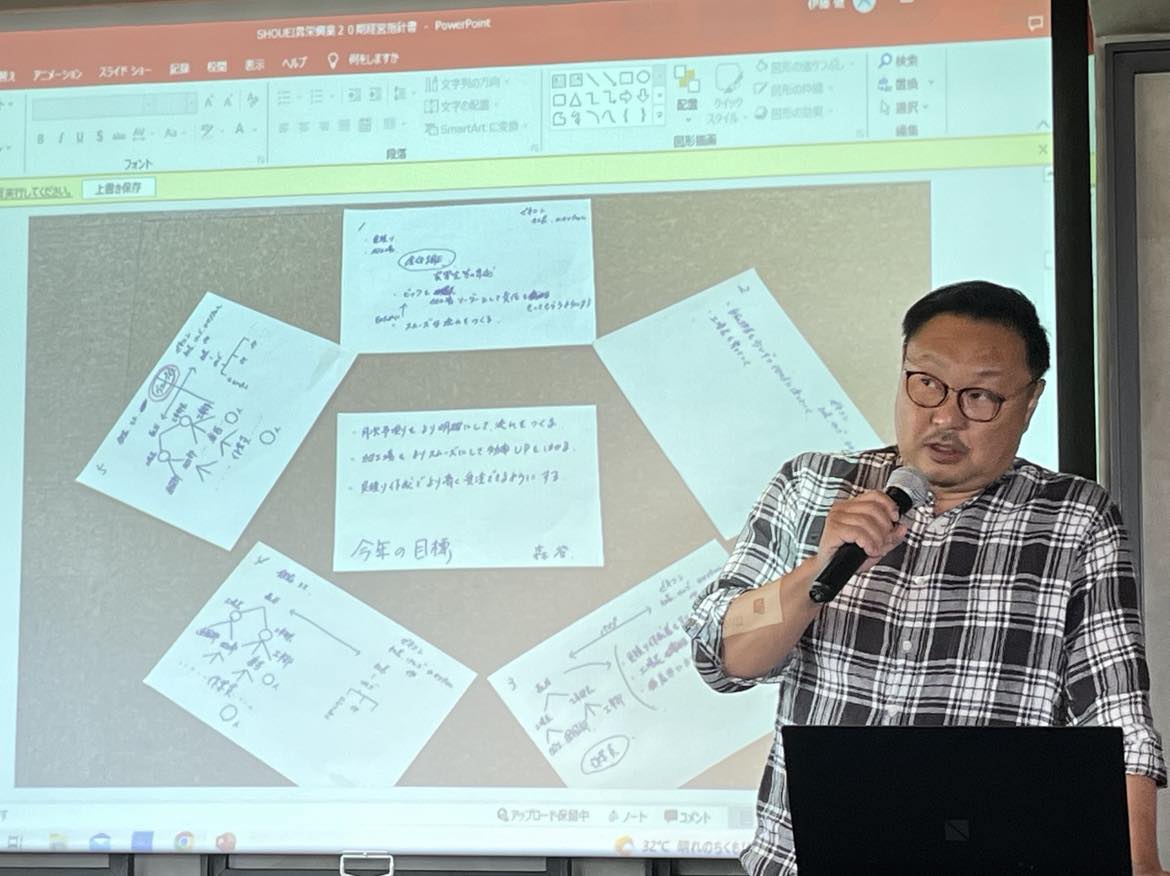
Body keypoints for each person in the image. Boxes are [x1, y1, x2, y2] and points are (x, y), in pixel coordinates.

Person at [685, 281, 1167, 875]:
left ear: (1029, 403)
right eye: (928, 383)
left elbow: (1116, 716)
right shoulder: (812, 484)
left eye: (980, 396)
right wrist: (816, 570)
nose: (945, 416)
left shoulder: (1074, 517)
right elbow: (723, 656)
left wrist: (1141, 866)